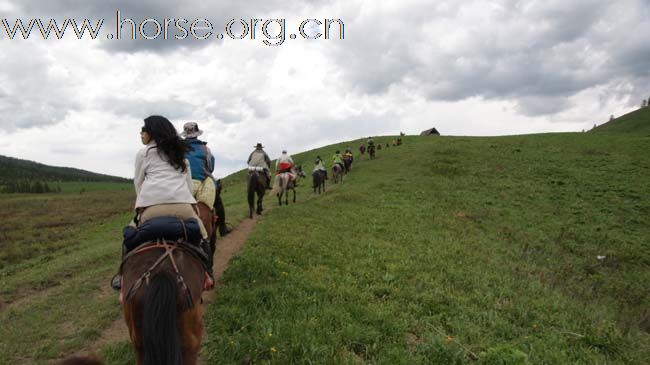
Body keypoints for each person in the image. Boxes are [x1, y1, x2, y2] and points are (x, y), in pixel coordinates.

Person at [112, 115, 213, 290]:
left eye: (144, 130)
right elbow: (188, 187)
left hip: (151, 209)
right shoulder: (181, 155)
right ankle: (207, 274)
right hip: (183, 207)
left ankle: (121, 277)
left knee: (128, 238)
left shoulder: (143, 153)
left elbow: (138, 183)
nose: (141, 133)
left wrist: (144, 204)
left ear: (153, 133)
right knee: (204, 237)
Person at [181, 122, 216, 211]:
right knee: (216, 195)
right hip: (200, 181)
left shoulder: (178, 148)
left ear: (185, 135)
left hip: (181, 183)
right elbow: (211, 167)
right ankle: (219, 221)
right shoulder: (205, 149)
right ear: (197, 134)